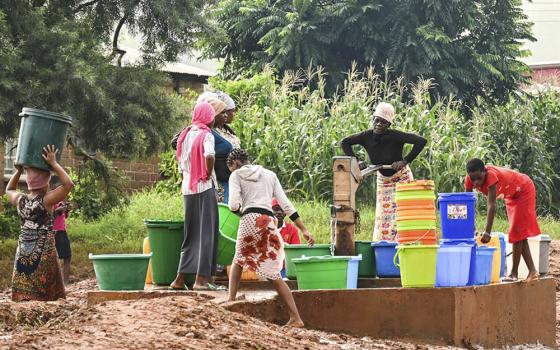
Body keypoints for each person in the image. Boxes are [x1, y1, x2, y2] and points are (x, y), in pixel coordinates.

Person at [226, 148, 315, 327]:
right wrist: (304, 229)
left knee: (239, 259)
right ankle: (296, 317)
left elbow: (233, 204)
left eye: (231, 168)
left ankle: (230, 300)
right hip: (268, 221)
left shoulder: (236, 175)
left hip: (249, 218)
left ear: (235, 164)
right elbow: (286, 205)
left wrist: (244, 212)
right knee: (274, 273)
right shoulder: (269, 174)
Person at [341, 102, 427, 242]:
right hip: (383, 180)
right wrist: (356, 160)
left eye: (384, 122)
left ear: (388, 125)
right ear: (373, 119)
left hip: (401, 178)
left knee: (402, 214)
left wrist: (405, 161)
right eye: (377, 120)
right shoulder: (366, 136)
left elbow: (421, 141)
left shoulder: (395, 136)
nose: (379, 124)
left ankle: (404, 243)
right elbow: (345, 142)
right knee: (384, 216)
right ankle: (384, 245)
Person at [170, 100, 227, 291]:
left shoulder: (184, 135)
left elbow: (180, 163)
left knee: (191, 233)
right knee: (207, 234)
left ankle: (179, 279)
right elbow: (209, 155)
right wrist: (207, 172)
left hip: (188, 188)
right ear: (208, 118)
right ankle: (201, 280)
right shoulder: (206, 135)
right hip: (203, 187)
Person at [6, 145, 74, 301]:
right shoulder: (46, 201)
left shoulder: (20, 200)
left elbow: (9, 189)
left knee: (24, 293)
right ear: (45, 183)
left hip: (23, 251)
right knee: (48, 297)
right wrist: (54, 163)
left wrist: (17, 171)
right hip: (43, 252)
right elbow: (68, 184)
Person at [465, 158, 540, 282]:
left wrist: (487, 232)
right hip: (511, 195)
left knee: (516, 231)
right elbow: (467, 204)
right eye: (473, 179)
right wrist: (470, 228)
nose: (476, 183)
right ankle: (532, 271)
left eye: (479, 178)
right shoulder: (469, 181)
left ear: (484, 172)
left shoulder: (491, 176)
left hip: (523, 189)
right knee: (519, 234)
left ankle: (513, 273)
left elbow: (492, 205)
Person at [198, 91, 241, 203]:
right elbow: (209, 156)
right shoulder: (206, 132)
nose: (226, 115)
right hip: (219, 181)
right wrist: (208, 175)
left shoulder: (227, 131)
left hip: (230, 179)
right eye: (223, 112)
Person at [51, 177, 72, 285]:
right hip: (54, 232)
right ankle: (58, 282)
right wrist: (58, 210)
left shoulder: (61, 199)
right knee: (55, 258)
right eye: (58, 187)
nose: (60, 189)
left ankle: (65, 282)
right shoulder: (50, 199)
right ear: (52, 187)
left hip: (62, 231)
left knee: (67, 256)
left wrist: (66, 210)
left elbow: (63, 216)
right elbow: (49, 215)